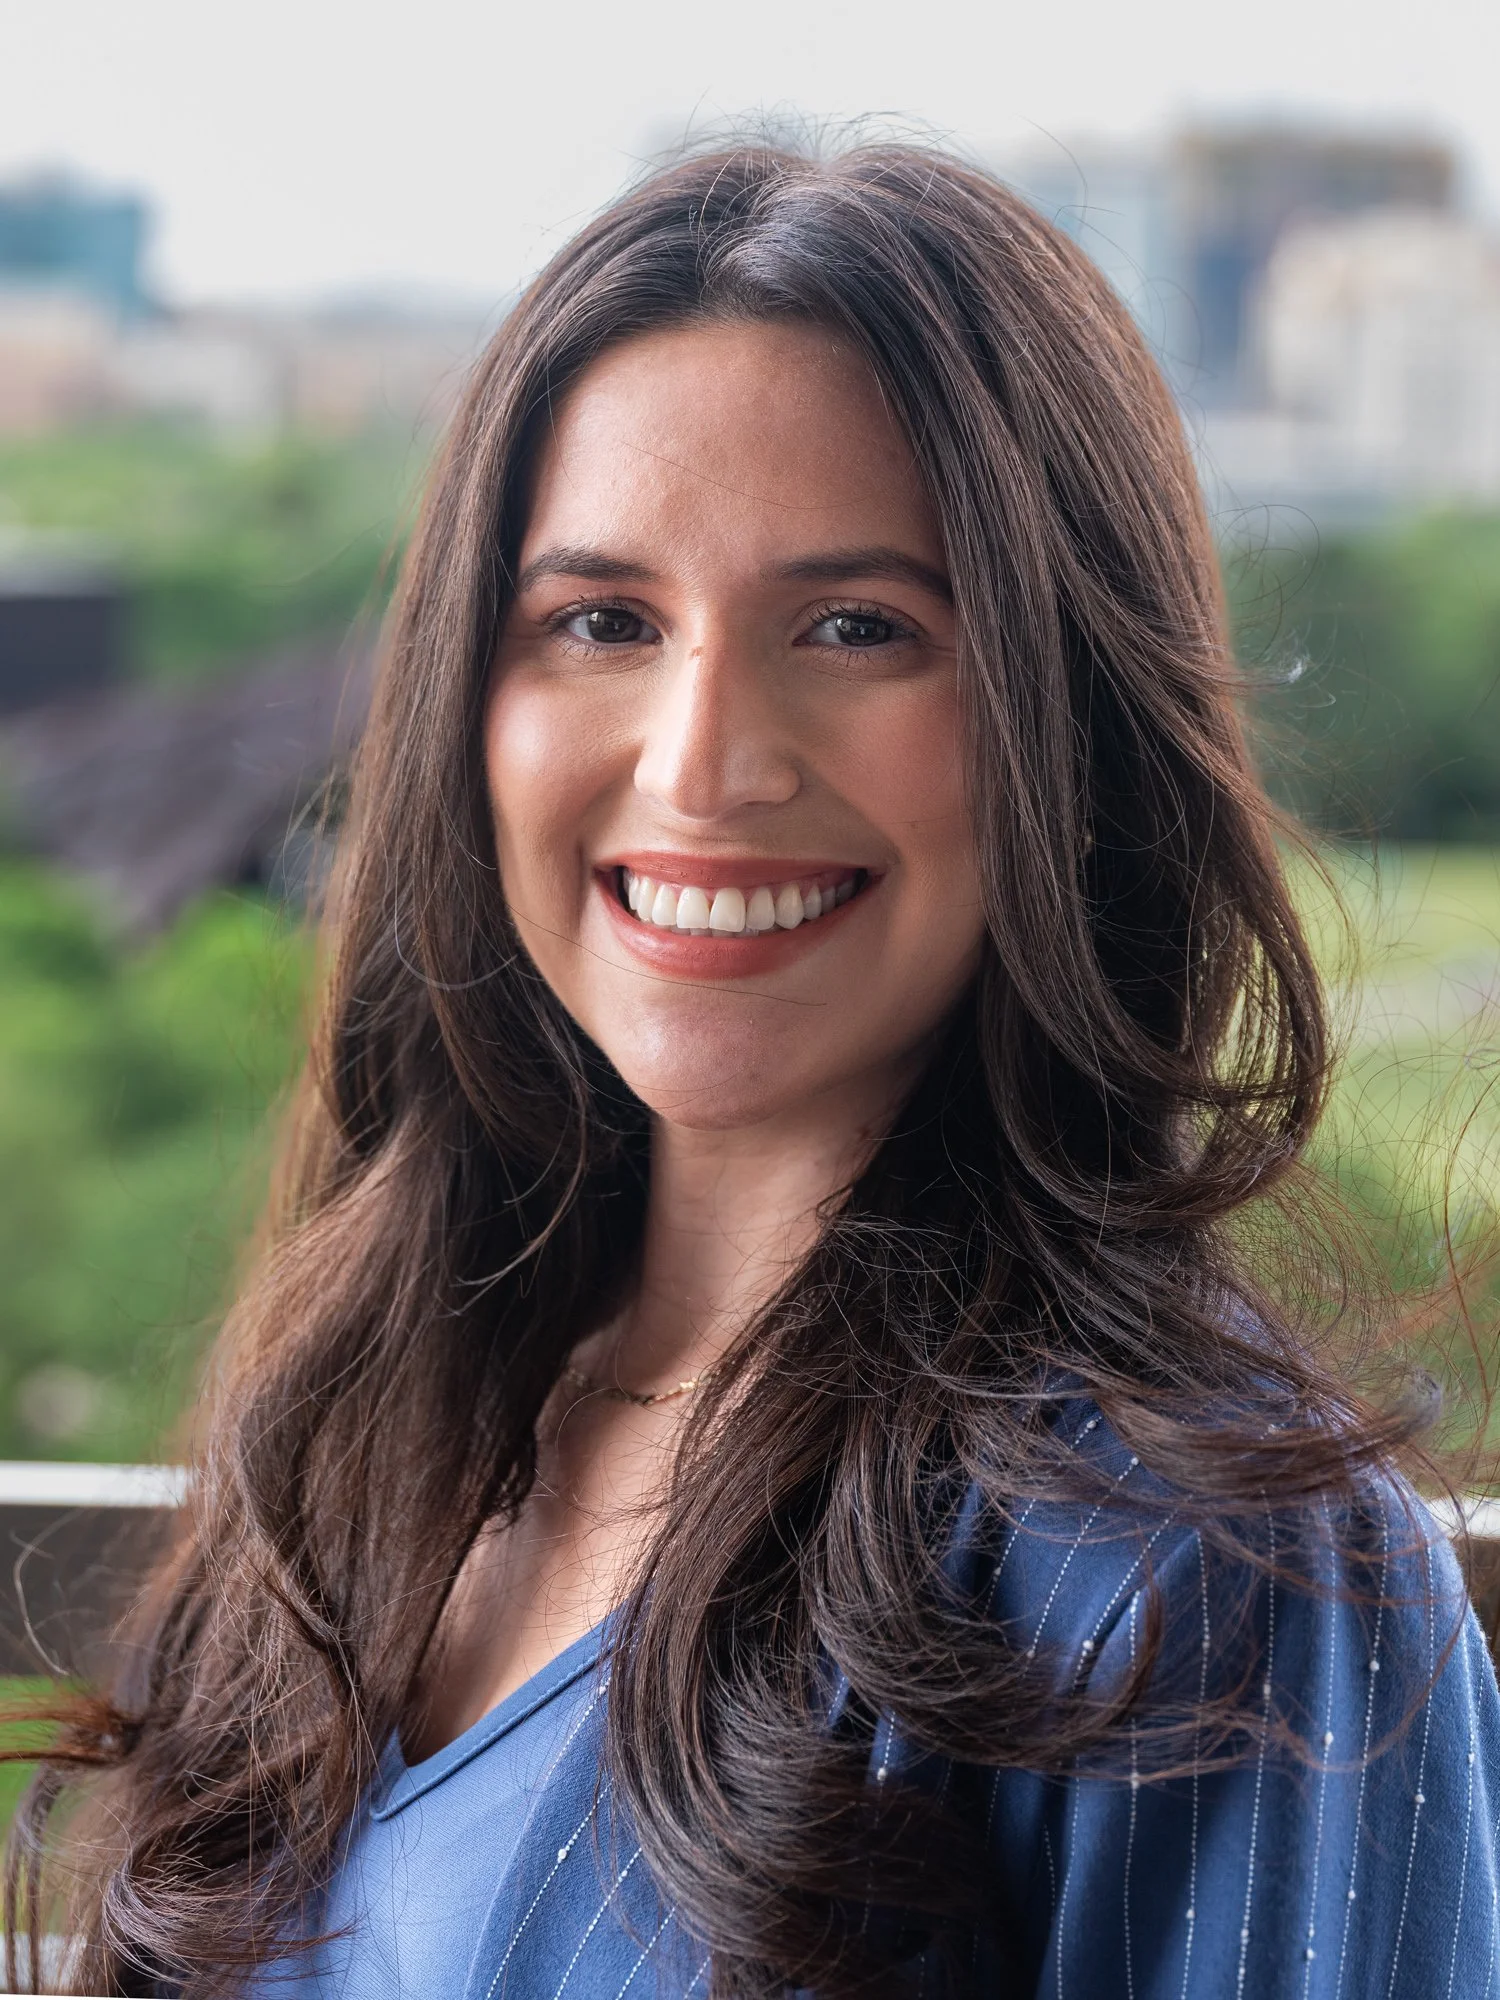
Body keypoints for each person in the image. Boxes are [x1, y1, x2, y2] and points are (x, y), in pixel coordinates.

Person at [11, 138, 1500, 2000]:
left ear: (1065, 717)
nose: (704, 760)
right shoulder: (383, 1403)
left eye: (858, 627)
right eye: (603, 622)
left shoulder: (1205, 1576)